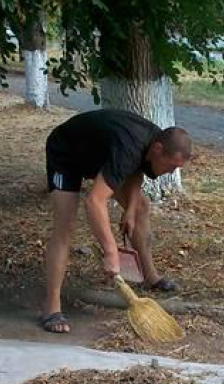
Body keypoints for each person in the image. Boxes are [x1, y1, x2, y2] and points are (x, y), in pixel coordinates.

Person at [41, 109, 192, 333]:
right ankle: (51, 307)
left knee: (141, 207)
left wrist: (130, 210)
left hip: (99, 157)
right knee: (65, 226)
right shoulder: (131, 147)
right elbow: (94, 202)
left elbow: (136, 170)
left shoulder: (153, 140)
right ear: (158, 149)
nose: (170, 172)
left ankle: (151, 277)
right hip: (67, 153)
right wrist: (111, 253)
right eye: (171, 166)